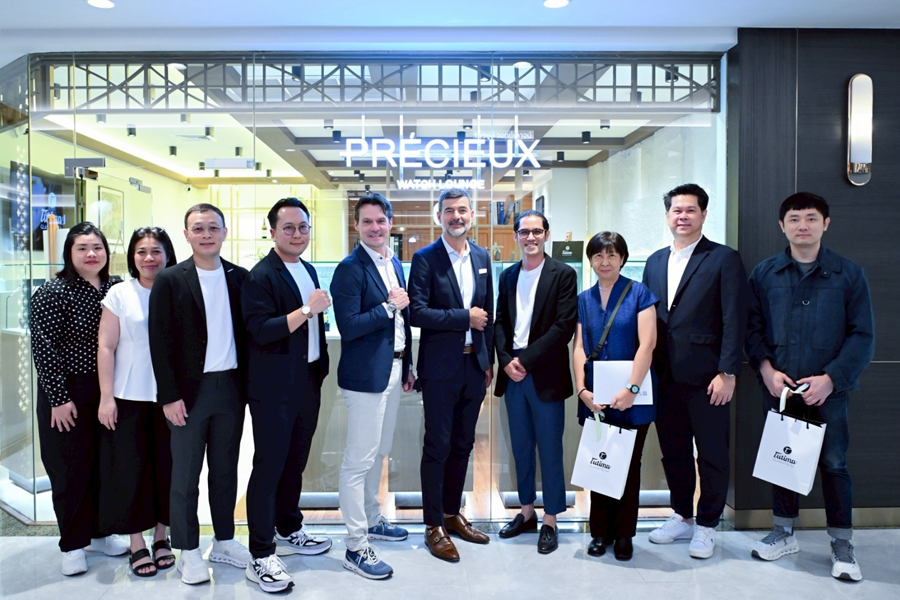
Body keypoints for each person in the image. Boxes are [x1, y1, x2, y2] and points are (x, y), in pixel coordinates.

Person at [745, 193, 874, 582]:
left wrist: (831, 378)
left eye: (811, 218)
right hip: (781, 389)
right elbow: (751, 329)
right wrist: (766, 369)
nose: (803, 225)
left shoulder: (848, 274)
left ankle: (842, 544)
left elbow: (862, 335)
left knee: (834, 464)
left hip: (829, 391)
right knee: (784, 461)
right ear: (782, 226)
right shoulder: (765, 274)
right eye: (794, 218)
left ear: (826, 224)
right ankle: (783, 533)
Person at [642, 183, 748, 559]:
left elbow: (735, 318)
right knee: (673, 451)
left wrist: (728, 371)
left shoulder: (723, 258)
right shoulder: (655, 261)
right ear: (667, 216)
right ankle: (682, 515)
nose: (682, 216)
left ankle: (707, 524)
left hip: (708, 378)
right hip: (664, 376)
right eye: (676, 210)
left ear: (703, 214)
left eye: (690, 210)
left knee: (712, 453)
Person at [148, 203, 252, 585]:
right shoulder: (170, 279)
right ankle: (187, 549)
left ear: (224, 232)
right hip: (188, 394)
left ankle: (223, 540)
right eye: (198, 228)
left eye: (213, 227)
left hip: (231, 388)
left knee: (225, 471)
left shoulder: (240, 277)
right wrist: (169, 396)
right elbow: (159, 341)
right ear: (186, 234)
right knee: (186, 474)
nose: (206, 234)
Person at [242, 198, 332, 593]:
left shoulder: (306, 268)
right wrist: (308, 310)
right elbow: (261, 330)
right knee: (269, 467)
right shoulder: (260, 276)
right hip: (273, 388)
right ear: (273, 232)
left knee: (295, 461)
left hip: (306, 380)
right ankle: (261, 553)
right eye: (289, 228)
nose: (297, 234)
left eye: (303, 227)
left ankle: (289, 526)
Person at [30, 221, 129, 576]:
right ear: (68, 253)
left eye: (97, 247)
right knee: (69, 468)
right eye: (82, 248)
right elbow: (44, 349)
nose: (91, 254)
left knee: (105, 465)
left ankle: (101, 534)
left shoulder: (117, 287)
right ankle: (72, 543)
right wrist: (58, 398)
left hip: (109, 389)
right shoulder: (52, 292)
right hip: (67, 392)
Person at [331, 193, 415, 579]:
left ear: (390, 223)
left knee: (379, 453)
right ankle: (355, 545)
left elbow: (402, 323)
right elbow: (349, 326)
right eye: (367, 221)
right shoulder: (349, 268)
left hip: (393, 371)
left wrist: (407, 364)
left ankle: (372, 518)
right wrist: (388, 306)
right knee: (358, 461)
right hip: (365, 377)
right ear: (356, 226)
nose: (375, 227)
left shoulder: (392, 261)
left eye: (380, 220)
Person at [408, 188, 494, 562]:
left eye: (462, 210)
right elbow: (417, 312)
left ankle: (451, 514)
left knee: (463, 444)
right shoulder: (425, 258)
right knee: (437, 445)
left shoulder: (482, 257)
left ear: (472, 215)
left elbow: (489, 312)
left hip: (474, 366)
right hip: (440, 369)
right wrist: (464, 317)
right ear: (438, 217)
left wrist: (488, 360)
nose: (456, 216)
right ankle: (433, 525)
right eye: (449, 211)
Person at [493, 210, 577, 554]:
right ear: (515, 236)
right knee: (522, 447)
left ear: (546, 234)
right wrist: (505, 361)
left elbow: (563, 327)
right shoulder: (508, 276)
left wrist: (524, 361)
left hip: (543, 373)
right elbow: (500, 322)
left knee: (550, 449)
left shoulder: (563, 274)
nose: (530, 237)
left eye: (537, 231)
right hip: (513, 374)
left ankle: (551, 518)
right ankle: (526, 511)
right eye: (524, 232)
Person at [97, 226, 177, 577]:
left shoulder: (178, 289)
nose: (149, 258)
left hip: (171, 398)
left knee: (168, 469)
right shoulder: (120, 293)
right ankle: (136, 542)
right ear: (132, 256)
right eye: (142, 251)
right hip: (128, 397)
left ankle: (162, 536)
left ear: (168, 255)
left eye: (156, 251)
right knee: (130, 471)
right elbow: (106, 346)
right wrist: (106, 397)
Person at [573, 232, 657, 561]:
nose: (604, 262)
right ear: (590, 260)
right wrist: (582, 389)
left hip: (633, 396)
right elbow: (579, 347)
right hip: (595, 394)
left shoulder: (639, 293)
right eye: (598, 256)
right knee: (600, 461)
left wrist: (632, 389)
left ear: (622, 258)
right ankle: (599, 532)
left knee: (629, 464)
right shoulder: (584, 299)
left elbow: (647, 344)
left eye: (611, 255)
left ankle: (624, 534)